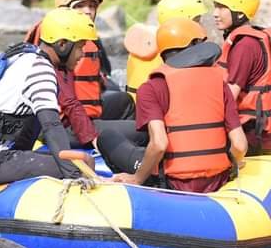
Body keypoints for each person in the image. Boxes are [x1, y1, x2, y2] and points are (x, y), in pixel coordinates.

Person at [101, 18, 247, 193]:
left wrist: (137, 178)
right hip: (217, 179)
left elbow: (159, 144)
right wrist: (230, 165)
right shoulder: (219, 82)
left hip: (171, 183)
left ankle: (139, 191)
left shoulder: (151, 87)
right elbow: (239, 145)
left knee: (107, 137)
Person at [0, 8, 92, 189]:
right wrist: (74, 175)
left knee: (81, 162)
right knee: (82, 167)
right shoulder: (40, 69)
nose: (82, 54)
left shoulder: (26, 57)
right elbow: (51, 125)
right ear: (62, 44)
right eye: (80, 47)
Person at [26, 0, 134, 121]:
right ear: (63, 8)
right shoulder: (60, 40)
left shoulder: (73, 32)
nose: (87, 11)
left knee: (115, 89)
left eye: (92, 6)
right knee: (125, 101)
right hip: (69, 118)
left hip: (70, 111)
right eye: (80, 6)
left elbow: (104, 71)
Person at [209, 0, 271, 156]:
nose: (215, 13)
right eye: (215, 6)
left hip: (252, 138)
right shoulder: (263, 38)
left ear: (239, 13)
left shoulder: (244, 46)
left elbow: (229, 97)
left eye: (222, 7)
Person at [124, 0, 208, 101]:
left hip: (137, 108)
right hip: (158, 110)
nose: (201, 26)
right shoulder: (173, 50)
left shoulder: (146, 41)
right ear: (181, 21)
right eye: (197, 21)